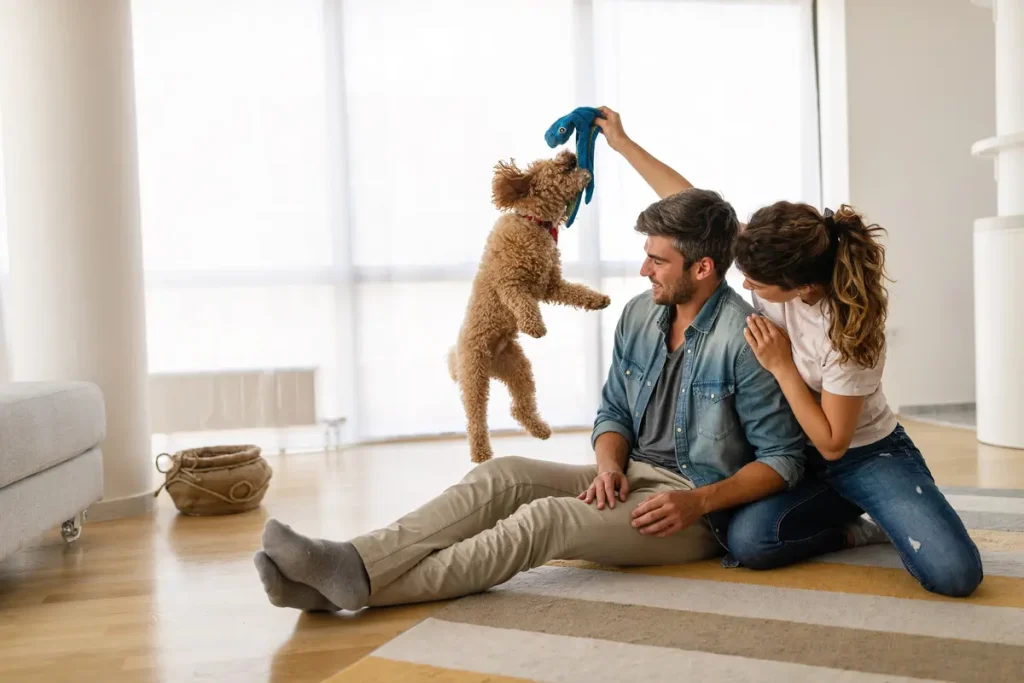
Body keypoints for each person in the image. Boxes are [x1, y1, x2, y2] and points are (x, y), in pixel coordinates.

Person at [252, 188, 809, 612]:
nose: (644, 269)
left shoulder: (747, 338)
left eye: (657, 260)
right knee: (503, 475)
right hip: (632, 476)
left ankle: (354, 581)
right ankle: (351, 568)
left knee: (544, 521)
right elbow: (614, 409)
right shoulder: (640, 314)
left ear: (703, 268)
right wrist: (609, 462)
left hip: (689, 512)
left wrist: (700, 503)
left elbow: (783, 459)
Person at [595, 106, 983, 597]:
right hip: (787, 452)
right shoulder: (765, 256)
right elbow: (686, 204)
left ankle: (881, 508)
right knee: (749, 543)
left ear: (799, 286)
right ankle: (846, 528)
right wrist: (622, 142)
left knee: (954, 575)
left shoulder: (850, 329)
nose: (744, 285)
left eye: (755, 283)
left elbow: (832, 443)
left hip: (861, 454)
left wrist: (781, 366)